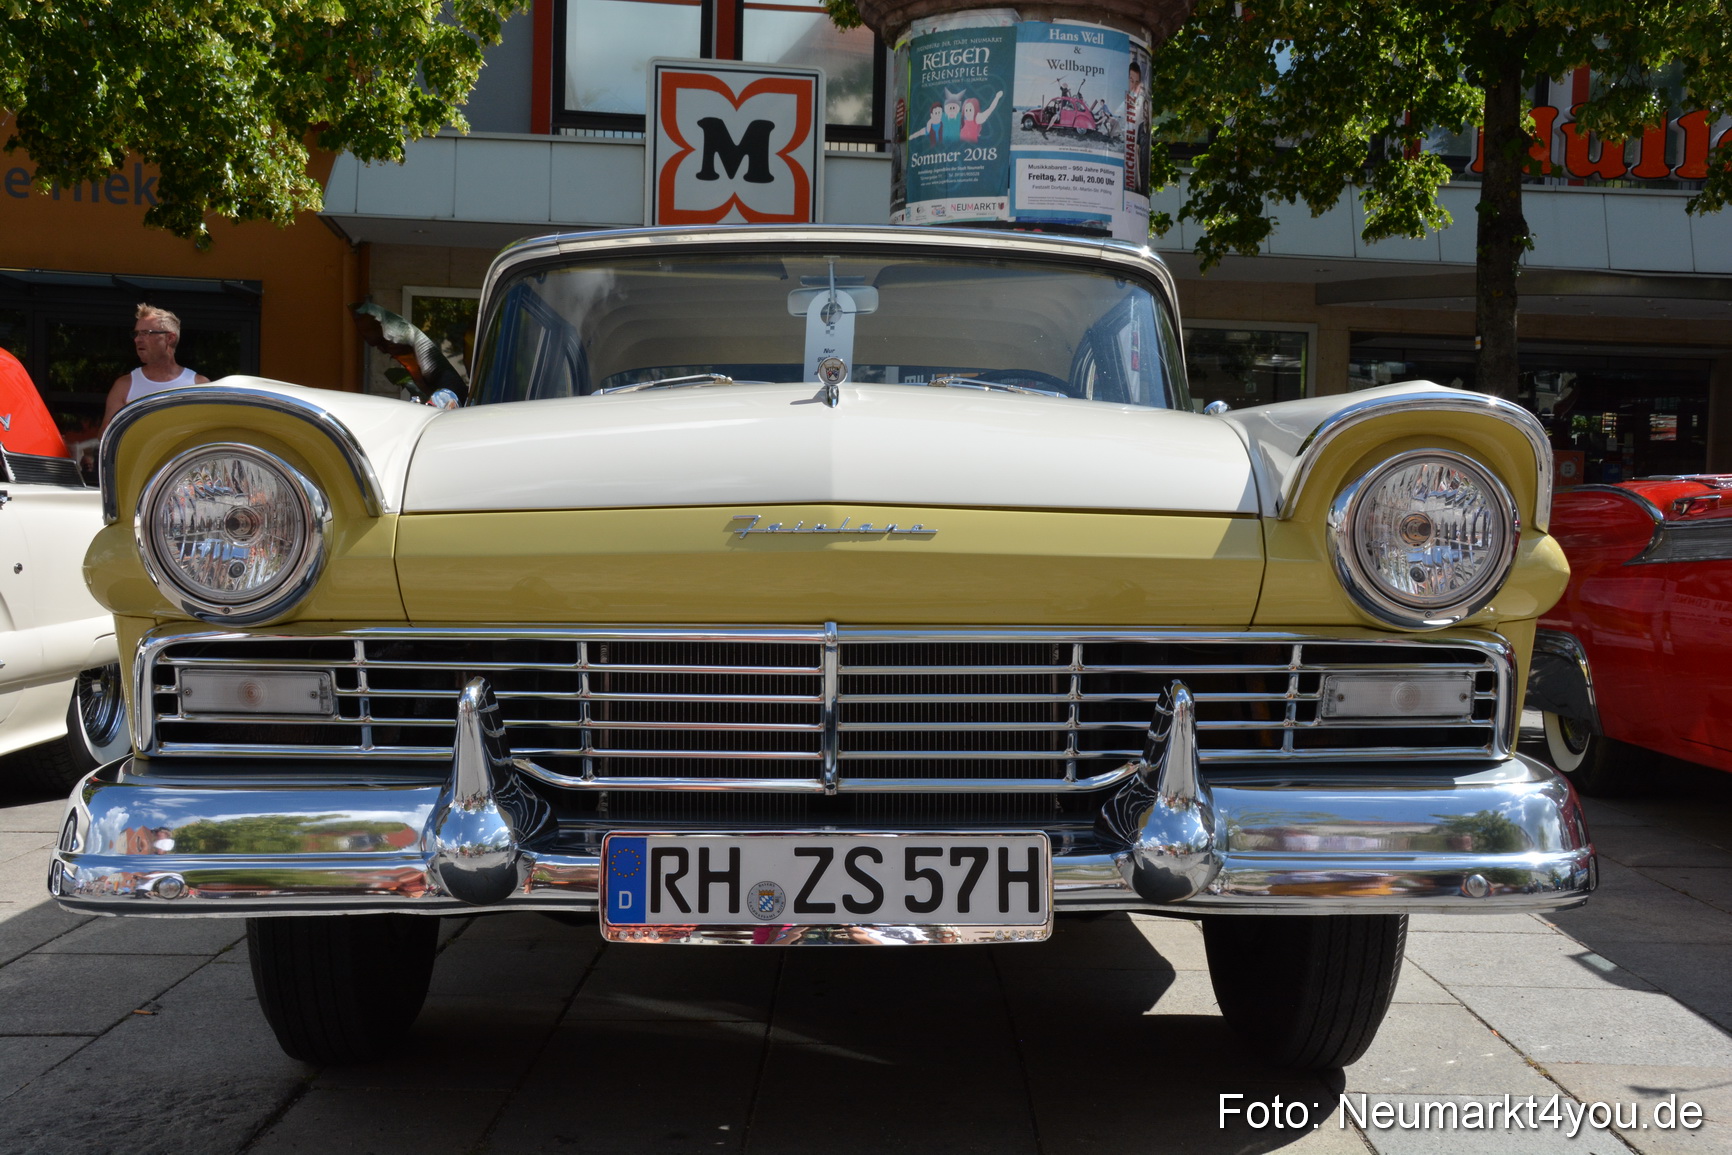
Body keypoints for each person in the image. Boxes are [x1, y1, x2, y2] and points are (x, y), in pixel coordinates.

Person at [101, 304, 209, 430]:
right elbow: (106, 437)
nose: (137, 340)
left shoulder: (198, 385)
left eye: (146, 333)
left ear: (170, 338)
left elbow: (207, 434)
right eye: (136, 334)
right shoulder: (124, 385)